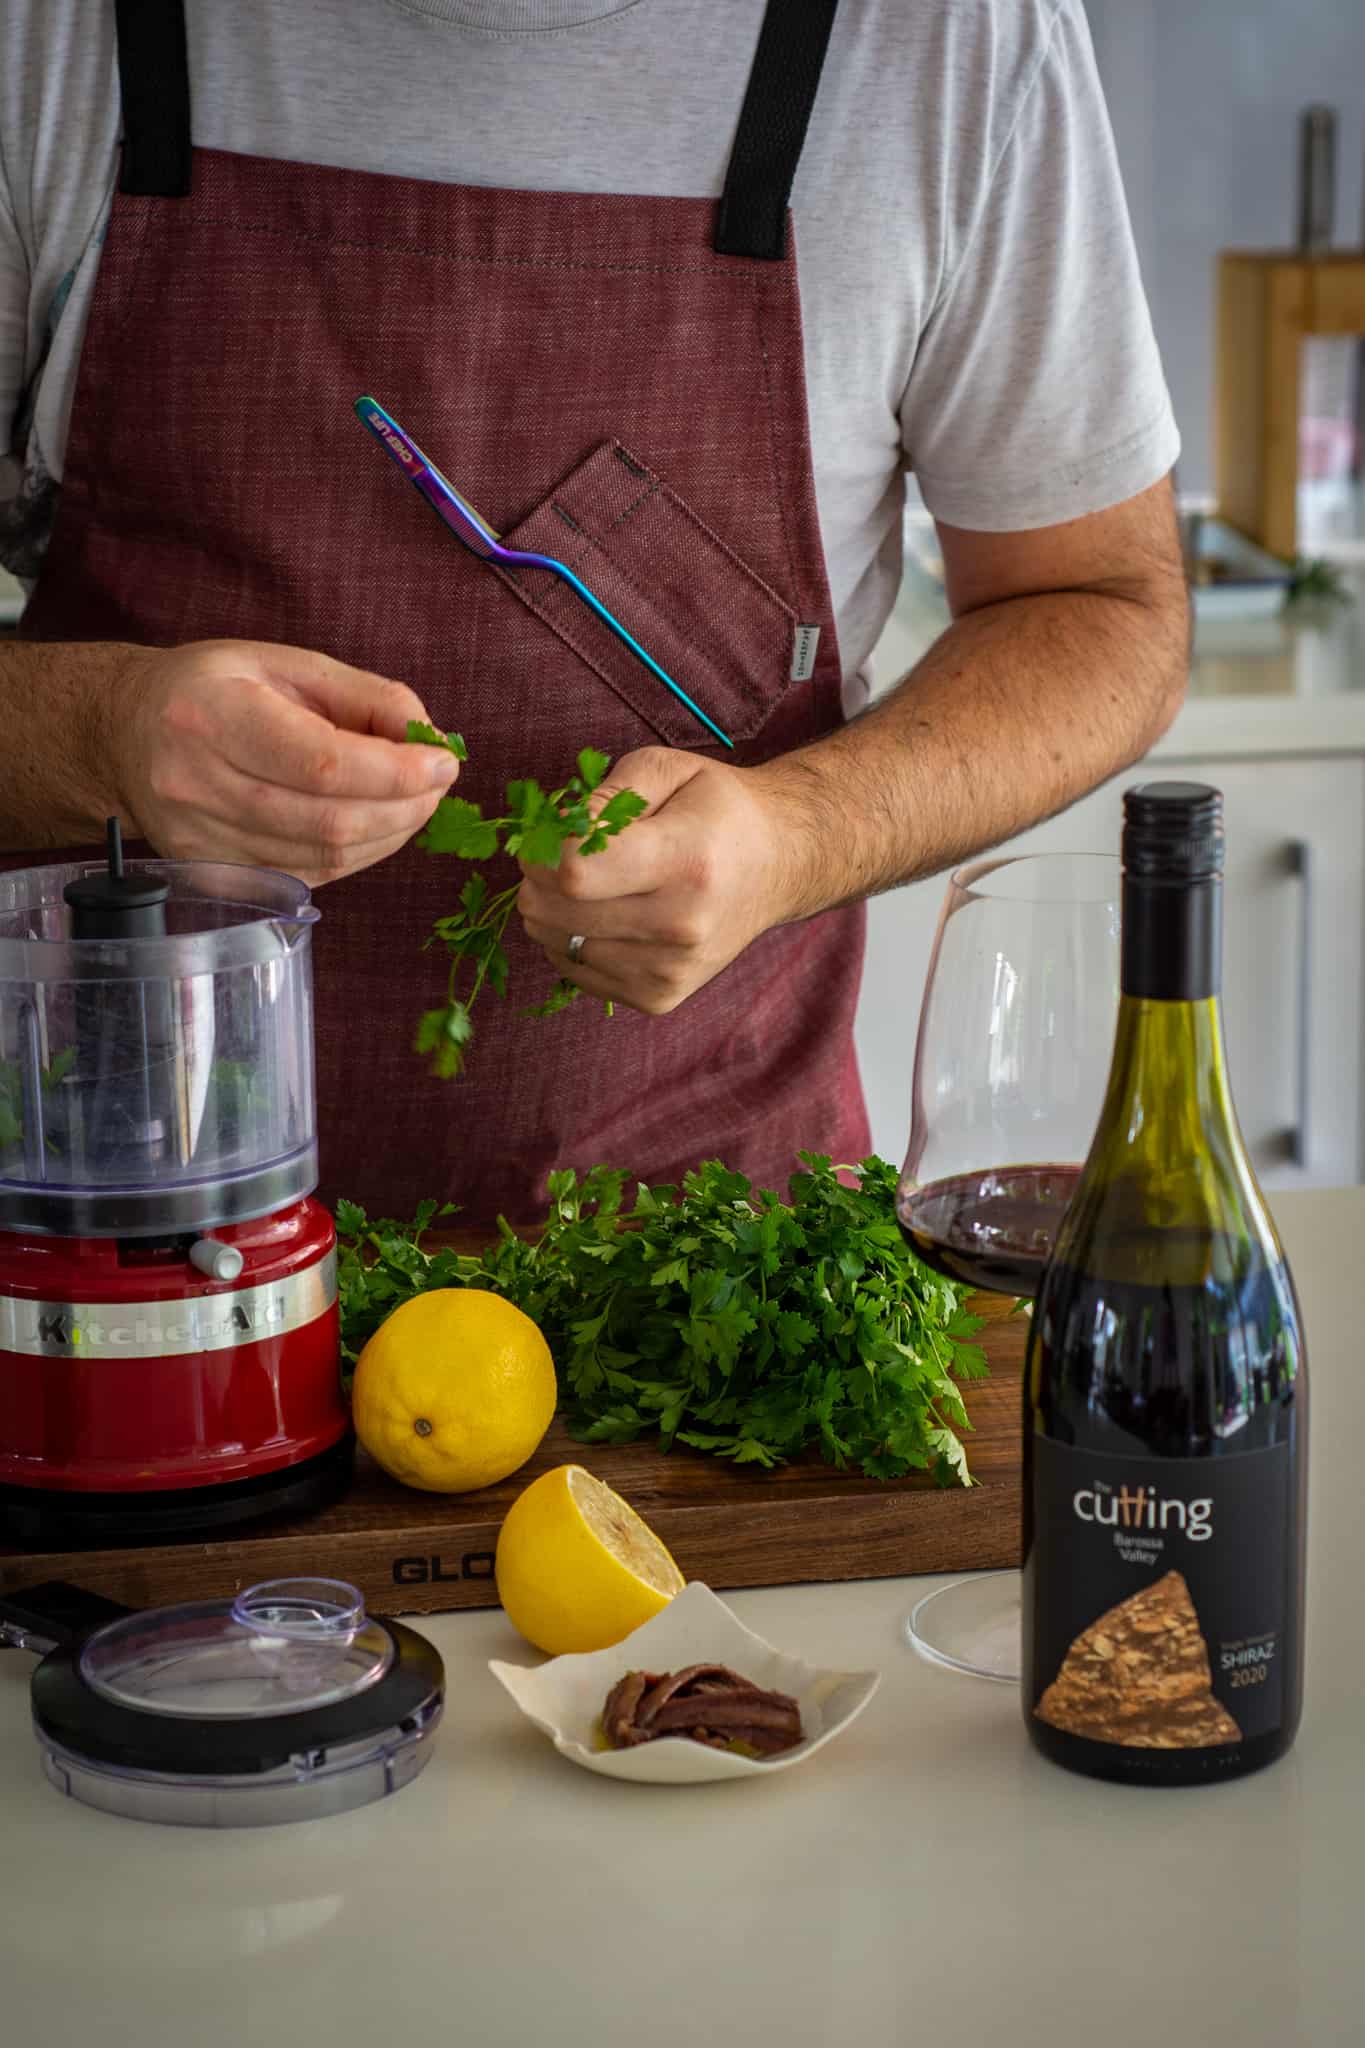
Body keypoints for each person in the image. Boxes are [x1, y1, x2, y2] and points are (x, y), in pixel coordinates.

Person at [0, 0, 1187, 1227]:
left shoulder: (950, 38)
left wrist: (797, 835)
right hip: (107, 1248)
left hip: (696, 1281)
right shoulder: (52, 30)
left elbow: (1104, 603)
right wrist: (101, 732)